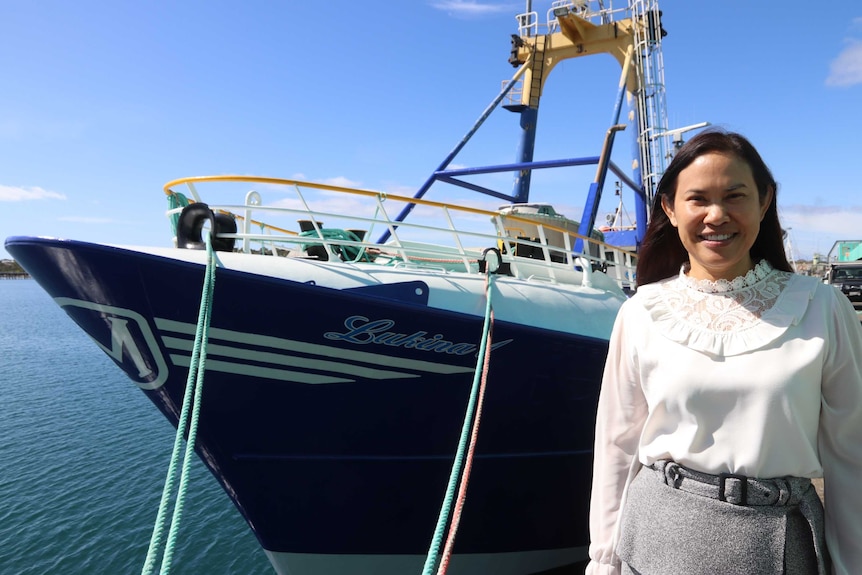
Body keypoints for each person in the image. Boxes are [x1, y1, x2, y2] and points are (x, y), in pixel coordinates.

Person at [586, 129, 862, 574]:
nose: (717, 215)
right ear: (670, 209)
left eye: (735, 196)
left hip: (776, 542)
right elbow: (617, 447)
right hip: (657, 536)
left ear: (764, 201)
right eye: (698, 199)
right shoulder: (641, 312)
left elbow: (853, 456)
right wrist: (604, 559)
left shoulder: (822, 307)